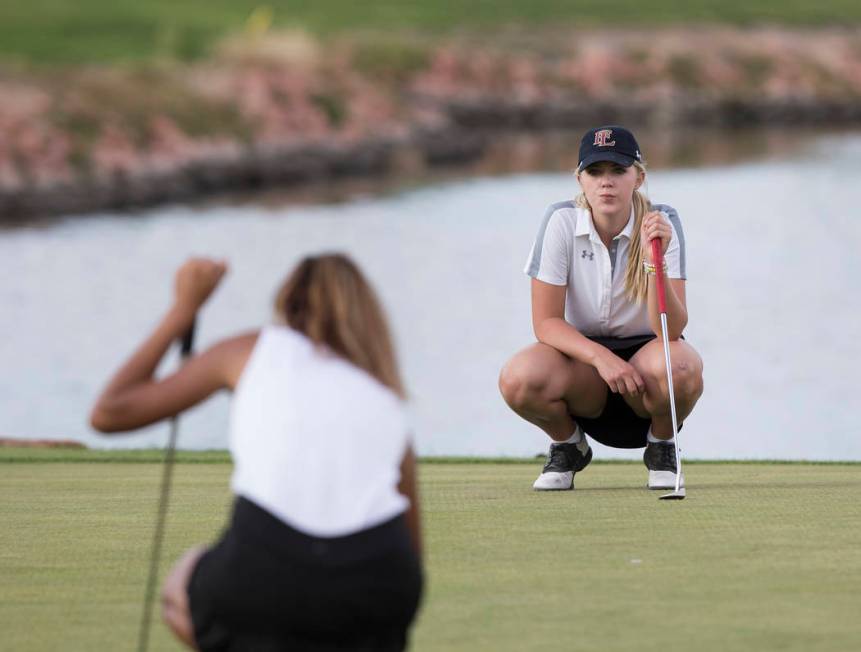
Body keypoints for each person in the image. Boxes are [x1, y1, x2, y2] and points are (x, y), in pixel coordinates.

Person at [90, 254, 423, 650]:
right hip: (381, 581)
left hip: (266, 574)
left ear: (287, 301)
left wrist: (185, 308)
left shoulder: (248, 351)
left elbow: (111, 411)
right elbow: (413, 551)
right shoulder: (384, 396)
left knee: (182, 585)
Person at [498, 125, 704, 491]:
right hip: (582, 370)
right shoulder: (560, 221)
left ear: (638, 177)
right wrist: (600, 358)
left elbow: (669, 330)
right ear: (579, 179)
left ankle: (661, 446)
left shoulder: (661, 222)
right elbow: (546, 323)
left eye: (617, 171)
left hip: (649, 369)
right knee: (518, 378)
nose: (605, 183)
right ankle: (568, 445)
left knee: (684, 366)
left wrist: (652, 260)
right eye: (594, 172)